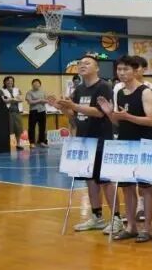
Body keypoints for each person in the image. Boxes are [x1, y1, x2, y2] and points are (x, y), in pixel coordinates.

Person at [50, 54, 118, 233]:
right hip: (84, 141)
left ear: (97, 68)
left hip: (101, 140)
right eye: (80, 63)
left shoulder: (104, 86)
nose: (82, 65)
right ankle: (97, 217)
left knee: (105, 181)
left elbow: (100, 112)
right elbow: (74, 116)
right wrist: (63, 108)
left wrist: (74, 106)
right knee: (90, 180)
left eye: (87, 63)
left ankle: (116, 218)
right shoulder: (79, 89)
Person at [99, 56, 152, 242]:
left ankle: (146, 229)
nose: (122, 73)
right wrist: (110, 113)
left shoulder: (145, 92)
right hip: (125, 145)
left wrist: (127, 116)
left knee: (145, 188)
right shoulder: (119, 92)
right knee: (127, 188)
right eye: (119, 70)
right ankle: (131, 226)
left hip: (143, 144)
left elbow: (151, 121)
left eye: (126, 69)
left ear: (135, 70)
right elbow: (118, 122)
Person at [1, 76, 24, 150]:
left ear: (13, 82)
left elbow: (21, 99)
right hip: (8, 112)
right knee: (8, 129)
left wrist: (10, 99)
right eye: (8, 81)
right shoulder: (2, 90)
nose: (9, 82)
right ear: (5, 82)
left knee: (18, 129)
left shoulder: (17, 89)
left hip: (17, 112)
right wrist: (15, 99)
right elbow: (4, 100)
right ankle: (8, 145)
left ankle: (18, 144)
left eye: (11, 81)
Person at [26, 79, 48, 147]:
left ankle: (41, 141)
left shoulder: (43, 92)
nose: (36, 84)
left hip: (42, 111)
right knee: (32, 127)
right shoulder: (29, 92)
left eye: (37, 83)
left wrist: (41, 100)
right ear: (32, 85)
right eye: (34, 83)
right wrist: (40, 100)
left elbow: (46, 100)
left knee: (42, 127)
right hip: (33, 111)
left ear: (40, 84)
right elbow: (30, 102)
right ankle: (32, 142)